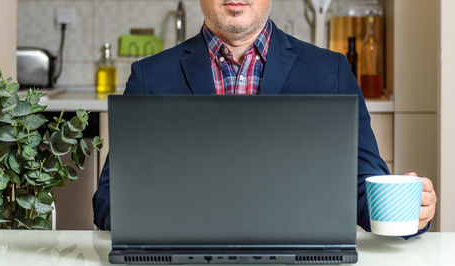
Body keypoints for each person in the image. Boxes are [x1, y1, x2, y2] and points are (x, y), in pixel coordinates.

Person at [93, 0, 437, 234]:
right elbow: (109, 200)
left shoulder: (329, 71)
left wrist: (408, 212)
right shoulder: (150, 76)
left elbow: (363, 187)